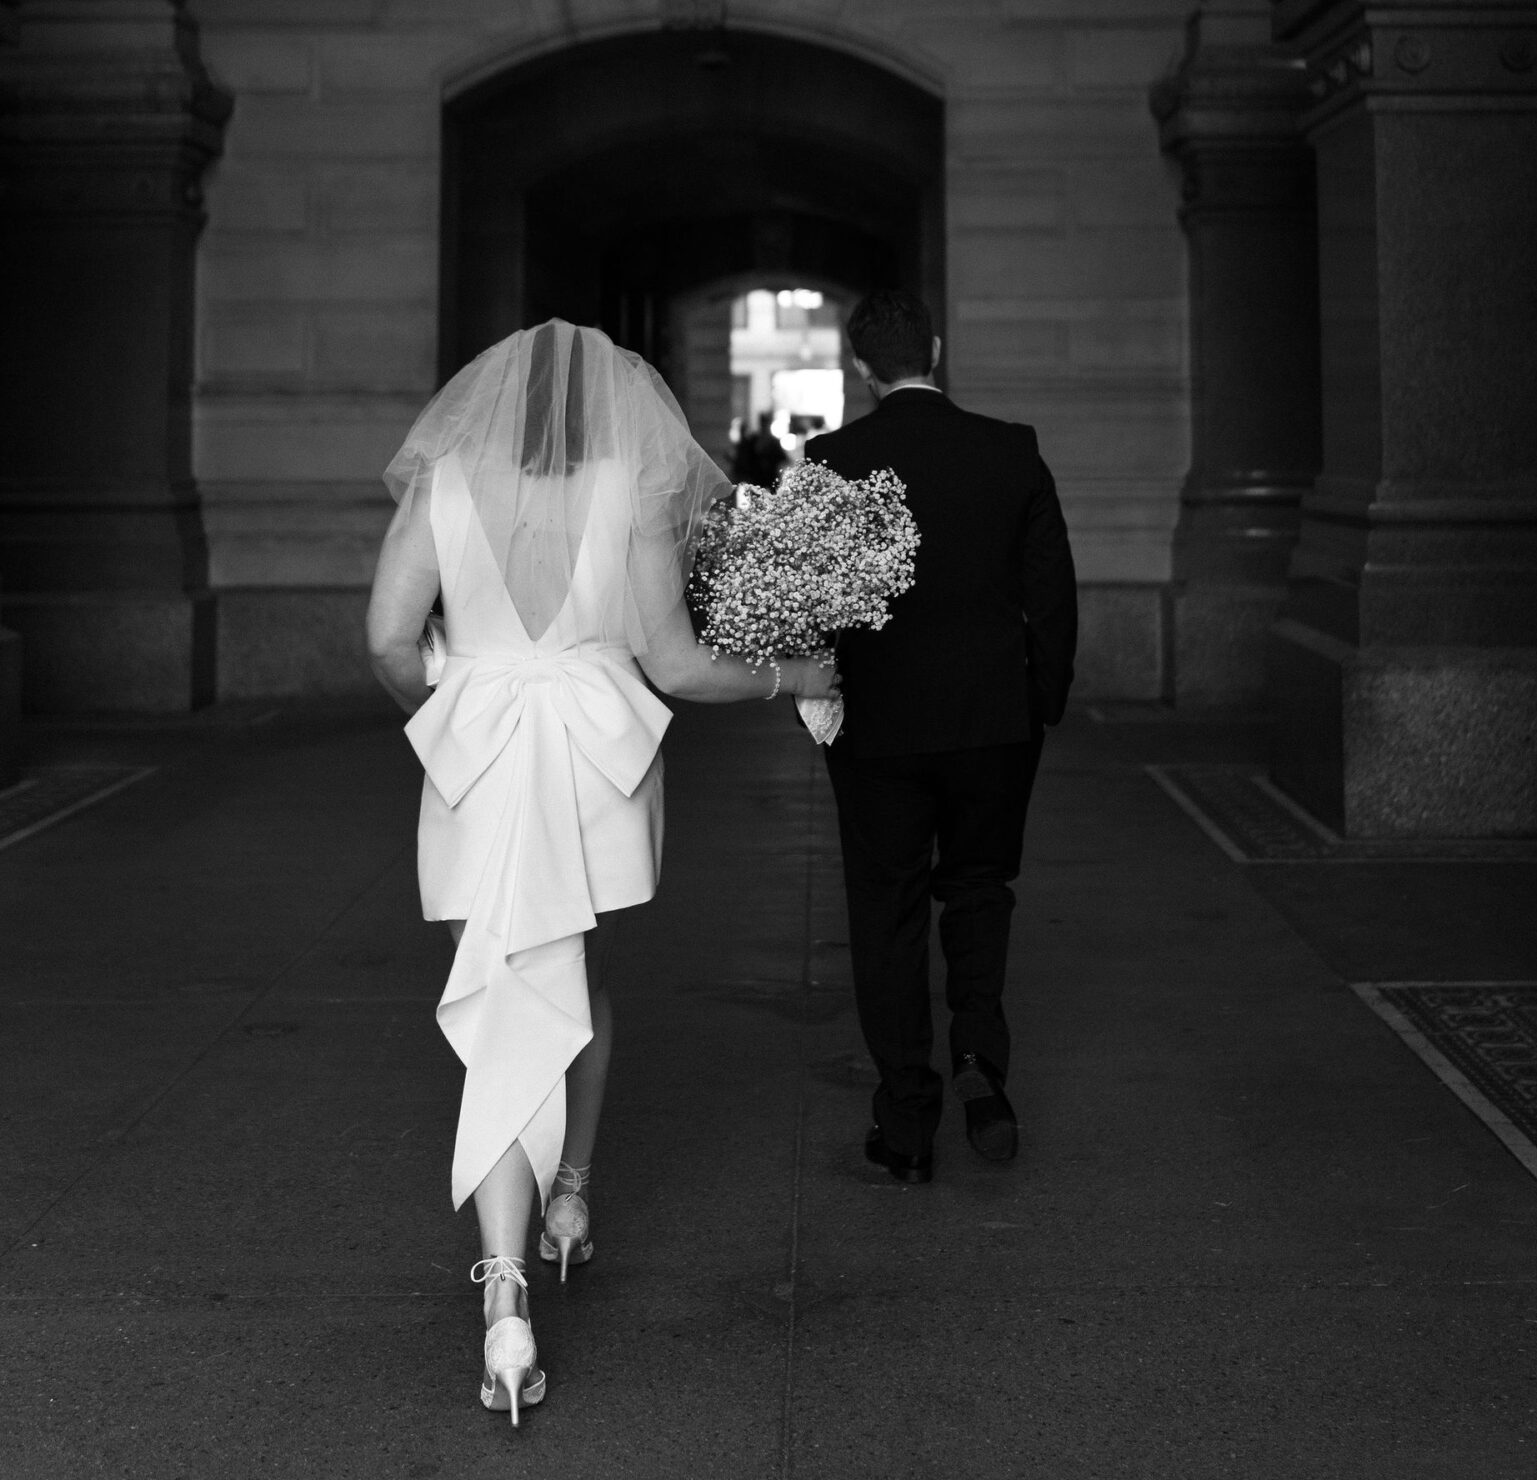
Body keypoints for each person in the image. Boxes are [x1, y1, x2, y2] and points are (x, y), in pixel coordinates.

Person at [366, 322, 836, 1424]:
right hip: (591, 761)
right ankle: (569, 1196)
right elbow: (673, 663)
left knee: (501, 1006)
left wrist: (448, 709)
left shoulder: (441, 482)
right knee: (576, 986)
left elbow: (388, 639)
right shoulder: (631, 484)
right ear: (610, 408)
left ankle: (506, 1297)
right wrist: (796, 669)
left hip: (477, 755)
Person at [805, 288, 1077, 1182]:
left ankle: (908, 1122)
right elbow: (1052, 591)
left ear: (859, 366)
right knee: (979, 888)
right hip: (993, 721)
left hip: (878, 725)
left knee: (884, 909)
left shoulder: (832, 460)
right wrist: (1044, 700)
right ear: (937, 350)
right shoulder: (1010, 449)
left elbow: (815, 604)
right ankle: (978, 1062)